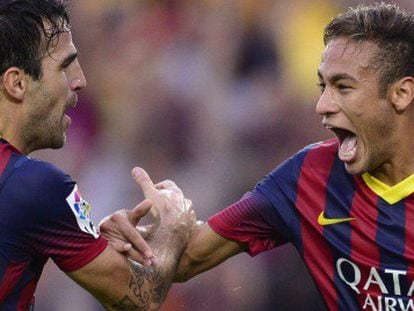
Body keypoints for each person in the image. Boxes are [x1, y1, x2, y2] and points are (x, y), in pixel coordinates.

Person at [102, 3, 414, 310]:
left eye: (343, 87)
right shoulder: (308, 176)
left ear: (401, 94)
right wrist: (136, 238)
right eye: (323, 86)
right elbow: (188, 258)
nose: (322, 105)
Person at [0, 0, 196, 310]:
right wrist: (173, 230)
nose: (80, 80)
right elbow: (140, 298)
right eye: (65, 66)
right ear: (17, 83)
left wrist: (87, 233)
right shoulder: (34, 185)